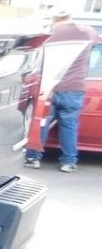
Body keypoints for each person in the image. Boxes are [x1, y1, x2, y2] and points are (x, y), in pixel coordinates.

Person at [24, 10, 97, 172]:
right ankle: (68, 162)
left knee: (41, 123)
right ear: (70, 17)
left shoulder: (48, 34)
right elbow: (96, 42)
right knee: (69, 125)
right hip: (74, 89)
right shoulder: (86, 31)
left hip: (48, 88)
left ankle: (32, 158)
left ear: (53, 19)